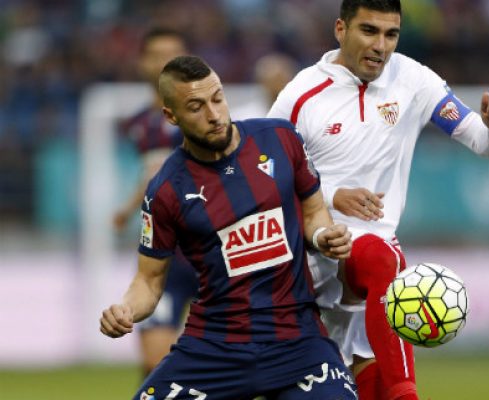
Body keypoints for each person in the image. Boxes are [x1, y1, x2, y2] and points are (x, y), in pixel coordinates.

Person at [267, 1, 489, 399]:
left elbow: (483, 143)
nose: (381, 45)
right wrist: (330, 195)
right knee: (384, 266)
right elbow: (266, 175)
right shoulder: (300, 94)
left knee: (385, 261)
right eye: (369, 31)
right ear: (341, 29)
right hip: (313, 251)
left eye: (391, 34)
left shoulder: (413, 80)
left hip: (372, 267)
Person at [100, 55, 357, 400]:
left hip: (297, 342)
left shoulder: (280, 139)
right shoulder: (165, 189)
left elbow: (313, 213)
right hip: (213, 350)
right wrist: (126, 310)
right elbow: (148, 280)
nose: (214, 114)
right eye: (196, 106)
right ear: (171, 116)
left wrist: (324, 236)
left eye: (217, 98)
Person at [112, 27, 199, 377]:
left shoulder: (206, 116)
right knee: (154, 365)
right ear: (143, 63)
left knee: (238, 365)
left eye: (172, 52)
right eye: (156, 54)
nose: (164, 61)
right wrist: (129, 208)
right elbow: (155, 173)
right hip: (164, 257)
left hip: (210, 251)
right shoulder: (138, 124)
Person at [234, 53, 298, 119]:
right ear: (261, 82)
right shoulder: (244, 118)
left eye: (282, 80)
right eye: (274, 81)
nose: (277, 87)